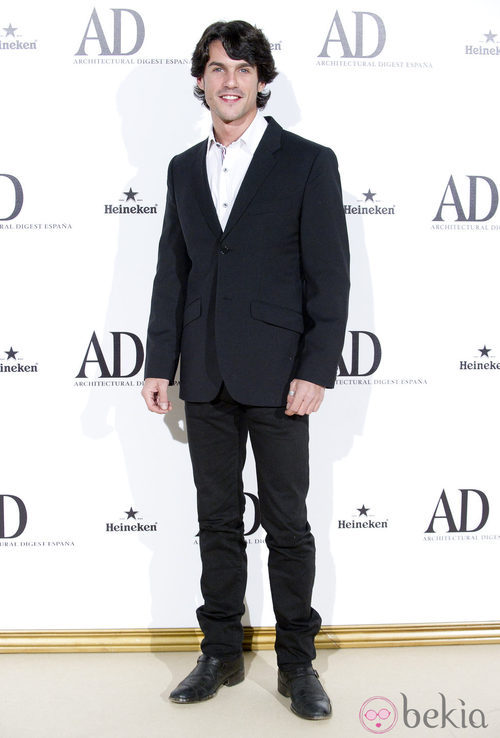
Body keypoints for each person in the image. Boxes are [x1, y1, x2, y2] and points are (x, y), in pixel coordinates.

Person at [141, 20, 349, 720]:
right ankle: (220, 653)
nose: (229, 81)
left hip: (282, 374)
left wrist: (316, 368)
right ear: (200, 80)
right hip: (204, 372)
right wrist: (159, 362)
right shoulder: (182, 167)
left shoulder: (308, 162)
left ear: (261, 80)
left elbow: (330, 276)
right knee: (217, 521)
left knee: (288, 524)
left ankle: (297, 664)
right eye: (216, 68)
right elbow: (172, 272)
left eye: (242, 68)